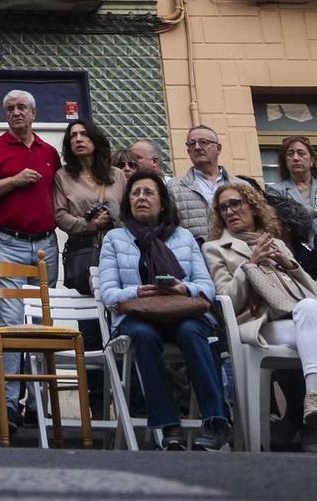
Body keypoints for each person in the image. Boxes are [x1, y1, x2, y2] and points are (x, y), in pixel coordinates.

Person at [205, 181, 317, 454]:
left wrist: (289, 264)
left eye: (236, 204)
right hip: (257, 324)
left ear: (252, 207)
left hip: (295, 320)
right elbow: (227, 301)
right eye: (223, 208)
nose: (230, 211)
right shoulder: (215, 248)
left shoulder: (277, 242)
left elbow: (312, 291)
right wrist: (249, 265)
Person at [98, 170, 233, 450]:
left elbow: (207, 287)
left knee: (193, 330)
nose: (141, 198)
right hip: (136, 314)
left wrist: (183, 289)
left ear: (162, 202)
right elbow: (108, 292)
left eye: (148, 193)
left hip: (181, 311)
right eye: (135, 193)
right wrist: (137, 291)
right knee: (144, 336)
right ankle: (169, 424)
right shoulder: (114, 238)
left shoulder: (184, 237)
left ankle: (216, 420)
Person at [0, 90, 63, 425]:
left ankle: (38, 401)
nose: (15, 113)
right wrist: (13, 181)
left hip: (45, 245)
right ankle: (9, 403)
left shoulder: (50, 152)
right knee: (11, 322)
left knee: (41, 321)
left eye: (21, 107)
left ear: (34, 112)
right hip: (7, 240)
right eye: (9, 108)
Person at [54, 117, 127, 296]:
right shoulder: (63, 176)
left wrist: (112, 218)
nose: (78, 139)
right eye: (73, 136)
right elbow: (60, 215)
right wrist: (91, 225)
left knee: (119, 301)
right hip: (82, 250)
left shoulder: (116, 175)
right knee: (87, 308)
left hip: (116, 249)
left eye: (84, 134)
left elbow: (128, 213)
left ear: (95, 139)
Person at [168, 124, 235, 242]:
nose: (197, 147)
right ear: (188, 151)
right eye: (192, 144)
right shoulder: (174, 187)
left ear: (218, 148)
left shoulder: (240, 186)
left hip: (236, 256)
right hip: (194, 257)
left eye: (204, 142)